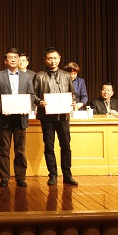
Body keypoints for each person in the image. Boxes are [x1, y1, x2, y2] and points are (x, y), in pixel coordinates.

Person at [0, 48, 36, 188]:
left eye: (16, 57)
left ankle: (20, 177)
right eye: (10, 57)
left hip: (21, 118)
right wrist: (3, 108)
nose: (14, 60)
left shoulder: (27, 76)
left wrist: (27, 107)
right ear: (5, 60)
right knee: (4, 149)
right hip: (4, 117)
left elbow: (32, 95)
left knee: (20, 150)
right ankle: (4, 177)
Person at [33, 47, 78, 186]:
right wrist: (39, 102)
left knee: (66, 146)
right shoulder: (39, 76)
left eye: (55, 58)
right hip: (47, 117)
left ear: (59, 59)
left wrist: (73, 101)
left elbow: (72, 93)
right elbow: (32, 95)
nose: (52, 61)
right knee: (49, 147)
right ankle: (52, 174)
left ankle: (67, 175)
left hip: (63, 116)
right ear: (45, 60)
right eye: (49, 58)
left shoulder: (66, 75)